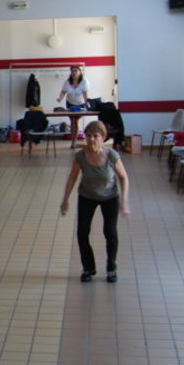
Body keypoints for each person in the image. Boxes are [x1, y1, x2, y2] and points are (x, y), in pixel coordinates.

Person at [59, 121, 131, 283]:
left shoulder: (111, 155)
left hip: (110, 197)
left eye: (95, 136)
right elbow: (72, 178)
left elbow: (124, 178)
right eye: (88, 136)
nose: (91, 139)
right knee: (82, 232)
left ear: (103, 138)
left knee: (110, 232)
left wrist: (125, 201)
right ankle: (88, 268)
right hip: (87, 196)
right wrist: (65, 200)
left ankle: (111, 267)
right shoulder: (80, 156)